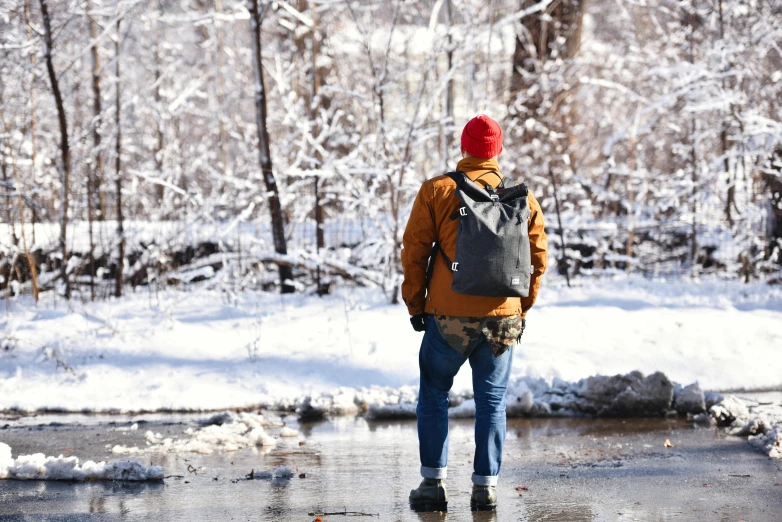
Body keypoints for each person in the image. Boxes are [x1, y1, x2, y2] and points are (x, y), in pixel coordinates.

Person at [401, 114, 548, 511]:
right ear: (497, 151)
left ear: (464, 147)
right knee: (491, 401)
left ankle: (432, 486)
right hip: (503, 319)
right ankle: (485, 489)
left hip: (447, 317)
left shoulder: (438, 190)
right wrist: (521, 308)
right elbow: (538, 259)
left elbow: (414, 253)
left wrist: (416, 304)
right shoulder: (523, 198)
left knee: (433, 396)